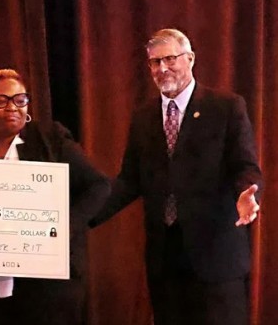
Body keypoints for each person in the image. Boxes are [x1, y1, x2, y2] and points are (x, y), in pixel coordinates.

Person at [88, 28, 262, 325]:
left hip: (215, 257)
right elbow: (129, 180)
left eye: (170, 59)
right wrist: (82, 217)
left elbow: (244, 166)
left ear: (190, 59)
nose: (162, 68)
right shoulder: (144, 117)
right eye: (155, 62)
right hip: (165, 260)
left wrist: (247, 194)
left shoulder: (225, 107)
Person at [0, 69, 110, 325]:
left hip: (47, 283)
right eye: (1, 100)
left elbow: (98, 186)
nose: (12, 108)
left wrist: (62, 228)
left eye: (20, 100)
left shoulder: (49, 139)